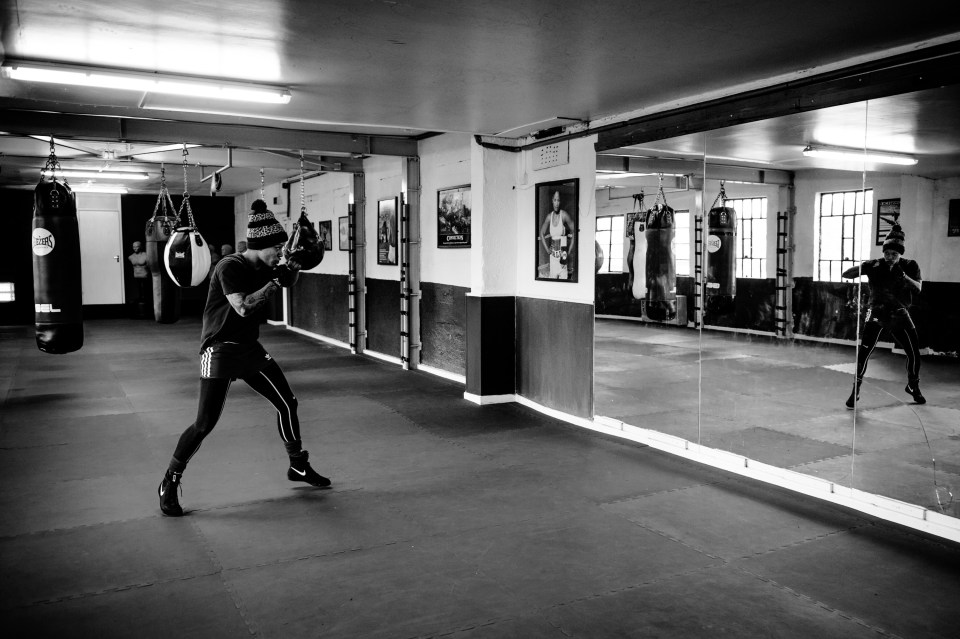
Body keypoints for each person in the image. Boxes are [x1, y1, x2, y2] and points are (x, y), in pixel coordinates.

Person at [158, 200, 330, 517]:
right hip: (220, 348)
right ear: (258, 246)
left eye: (282, 247)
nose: (279, 253)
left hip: (249, 348)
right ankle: (170, 479)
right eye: (276, 248)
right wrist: (276, 280)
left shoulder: (268, 266)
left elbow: (286, 278)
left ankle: (298, 465)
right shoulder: (230, 266)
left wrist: (293, 266)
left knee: (287, 402)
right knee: (204, 424)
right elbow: (243, 307)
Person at [841, 224, 925, 409]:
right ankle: (856, 390)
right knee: (864, 353)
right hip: (877, 313)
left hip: (900, 314)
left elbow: (918, 288)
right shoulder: (875, 264)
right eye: (887, 253)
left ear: (900, 254)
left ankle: (913, 386)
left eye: (894, 254)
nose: (890, 257)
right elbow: (845, 274)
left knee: (914, 353)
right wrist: (864, 266)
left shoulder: (910, 265)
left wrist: (903, 276)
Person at [539, 190, 576, 279]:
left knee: (563, 282)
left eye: (558, 200)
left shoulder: (564, 215)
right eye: (555, 200)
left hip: (563, 256)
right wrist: (547, 250)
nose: (556, 203)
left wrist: (570, 249)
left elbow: (575, 230)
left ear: (560, 202)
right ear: (552, 201)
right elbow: (542, 233)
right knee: (552, 282)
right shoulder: (549, 217)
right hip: (553, 257)